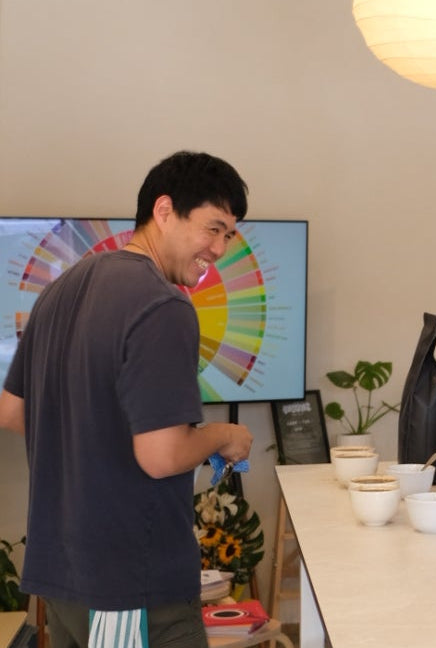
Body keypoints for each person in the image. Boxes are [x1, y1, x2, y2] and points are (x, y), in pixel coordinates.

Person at [0, 151, 254, 648]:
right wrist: (225, 435)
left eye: (229, 235)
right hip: (131, 584)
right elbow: (162, 456)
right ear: (164, 210)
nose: (220, 248)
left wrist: (91, 444)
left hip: (63, 580)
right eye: (213, 228)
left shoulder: (57, 292)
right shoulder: (163, 304)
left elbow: (11, 411)